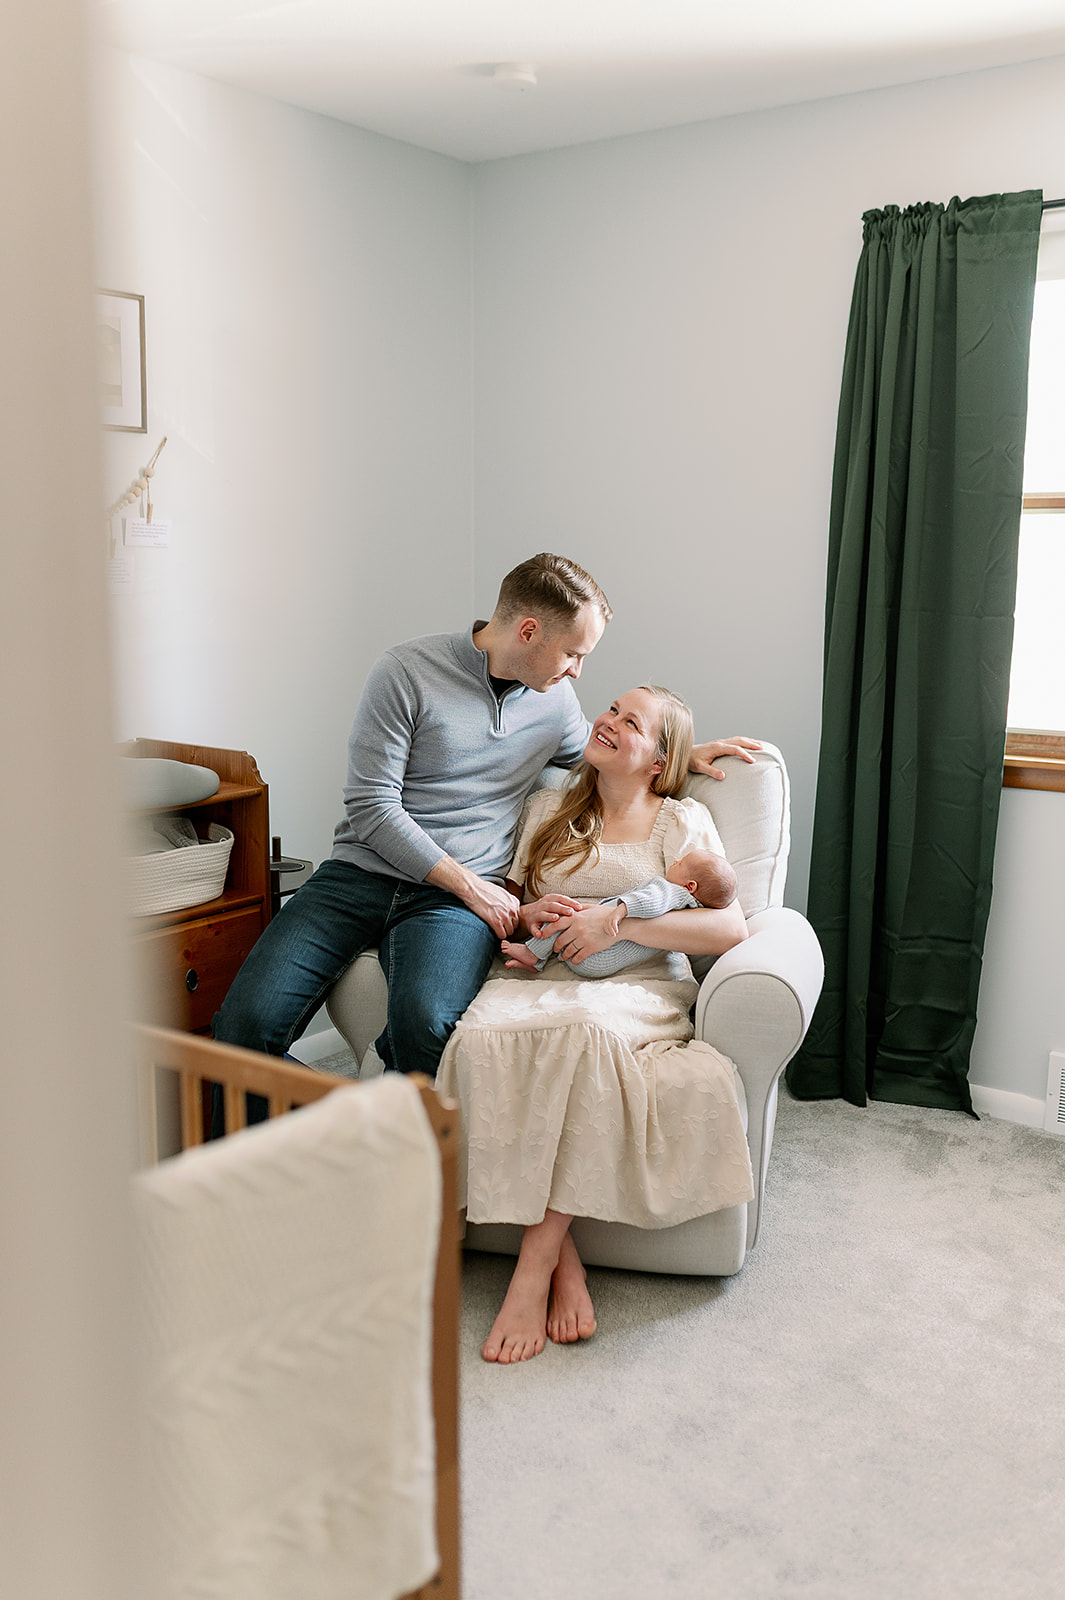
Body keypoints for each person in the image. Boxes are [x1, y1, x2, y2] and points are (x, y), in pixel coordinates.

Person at [212, 552, 759, 1084]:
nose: (578, 671)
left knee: (425, 1029)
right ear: (527, 633)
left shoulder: (556, 702)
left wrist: (681, 753)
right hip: (363, 876)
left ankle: (393, 1153)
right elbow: (371, 806)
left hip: (446, 906)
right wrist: (474, 887)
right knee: (240, 1030)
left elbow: (609, 760)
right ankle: (319, 1140)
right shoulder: (404, 672)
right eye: (573, 653)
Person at [435, 684, 755, 1365]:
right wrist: (534, 917)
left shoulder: (680, 819)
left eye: (629, 721)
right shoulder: (546, 809)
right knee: (477, 1039)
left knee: (583, 1038)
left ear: (656, 759)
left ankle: (531, 1266)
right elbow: (512, 908)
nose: (606, 720)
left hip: (636, 984)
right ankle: (566, 1259)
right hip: (539, 973)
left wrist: (616, 919)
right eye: (609, 708)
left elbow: (727, 924)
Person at [501, 848, 738, 977]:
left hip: (594, 952)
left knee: (566, 916)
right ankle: (538, 962)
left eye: (681, 863)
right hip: (602, 962)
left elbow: (650, 901)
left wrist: (619, 912)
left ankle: (533, 953)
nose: (675, 861)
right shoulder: (688, 910)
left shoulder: (672, 892)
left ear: (691, 886)